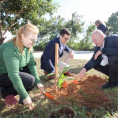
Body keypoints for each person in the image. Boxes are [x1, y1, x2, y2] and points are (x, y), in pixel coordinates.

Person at [0, 23, 44, 110]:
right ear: (22, 36)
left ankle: (14, 94)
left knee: (32, 70)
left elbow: (31, 65)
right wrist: (25, 96)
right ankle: (6, 92)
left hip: (10, 73)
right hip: (2, 75)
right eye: (32, 40)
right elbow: (14, 75)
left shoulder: (28, 47)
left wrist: (38, 82)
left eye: (35, 41)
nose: (33, 43)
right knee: (30, 80)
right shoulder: (9, 48)